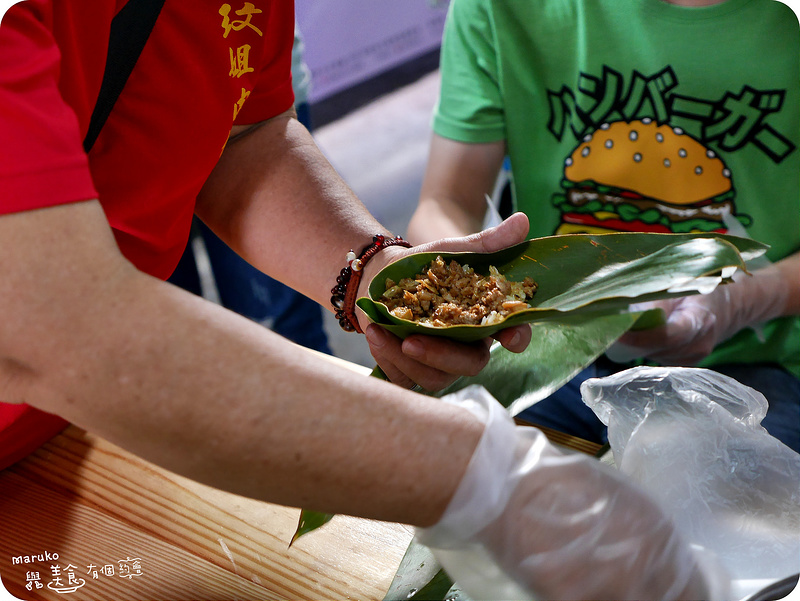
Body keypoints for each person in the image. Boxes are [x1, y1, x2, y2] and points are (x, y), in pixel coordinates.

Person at [0, 2, 725, 598]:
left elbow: (240, 135)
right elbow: (54, 318)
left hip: (59, 423)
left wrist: (375, 271)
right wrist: (491, 483)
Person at [408, 0, 800, 452]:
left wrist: (748, 299)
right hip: (540, 343)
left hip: (758, 365)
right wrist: (464, 282)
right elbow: (444, 200)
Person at [168, 24, 333, 355]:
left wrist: (374, 258)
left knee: (284, 333)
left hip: (248, 96)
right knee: (165, 344)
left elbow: (258, 130)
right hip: (105, 135)